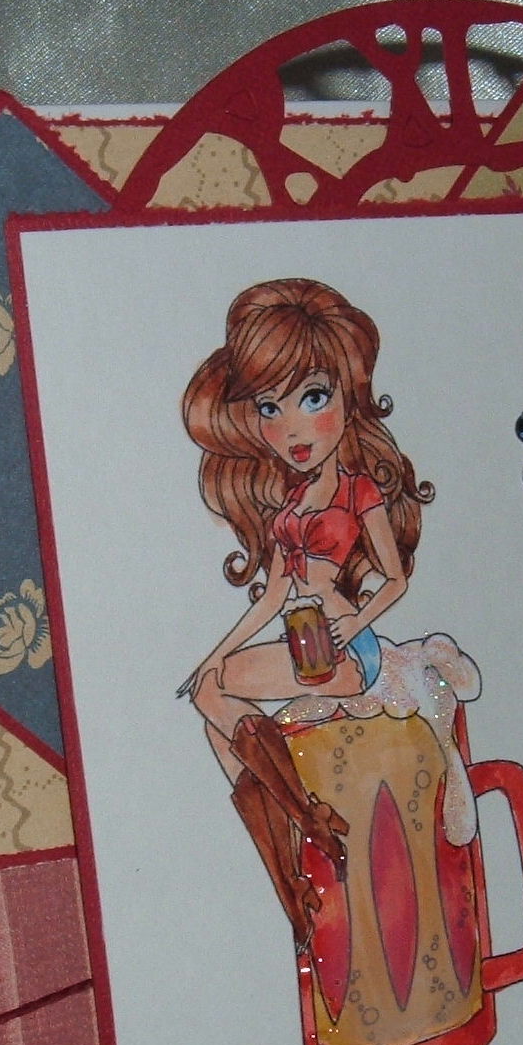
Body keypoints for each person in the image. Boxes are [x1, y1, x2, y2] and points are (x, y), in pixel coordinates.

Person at [178, 278, 433, 946]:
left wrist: (356, 621)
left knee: (216, 701)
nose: (291, 427)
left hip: (343, 646)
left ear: (348, 396)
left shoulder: (357, 491)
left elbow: (395, 579)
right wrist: (212, 655)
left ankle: (308, 822)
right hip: (303, 636)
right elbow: (270, 597)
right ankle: (293, 878)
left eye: (312, 398)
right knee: (215, 716)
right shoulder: (287, 507)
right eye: (270, 406)